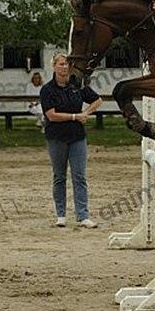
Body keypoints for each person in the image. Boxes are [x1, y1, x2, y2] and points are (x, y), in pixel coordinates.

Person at [40, 52, 103, 228]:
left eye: (66, 64)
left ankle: (83, 215)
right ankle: (60, 214)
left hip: (77, 137)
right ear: (54, 66)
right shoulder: (47, 90)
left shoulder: (77, 85)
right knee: (59, 176)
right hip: (57, 137)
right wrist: (75, 116)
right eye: (60, 64)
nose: (64, 67)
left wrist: (86, 113)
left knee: (79, 176)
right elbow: (51, 115)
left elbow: (98, 100)